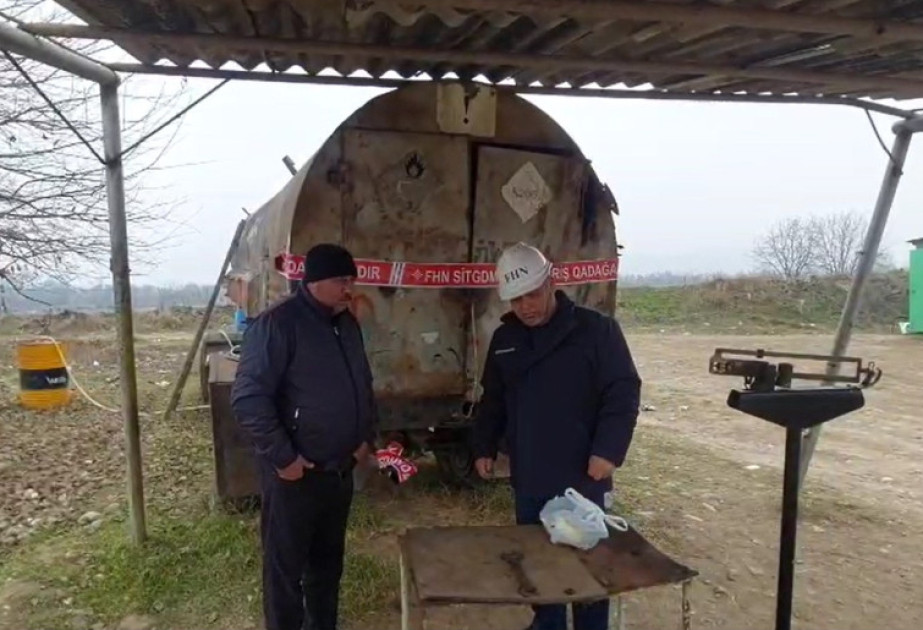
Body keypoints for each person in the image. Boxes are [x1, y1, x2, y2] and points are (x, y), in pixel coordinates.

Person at [472, 242, 642, 630]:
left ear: (552, 282)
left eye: (532, 295)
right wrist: (483, 445)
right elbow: (493, 399)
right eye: (516, 300)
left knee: (589, 568)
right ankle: (547, 624)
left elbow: (622, 392)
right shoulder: (506, 340)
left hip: (584, 477)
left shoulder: (596, 331)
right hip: (530, 475)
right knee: (539, 564)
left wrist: (608, 450)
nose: (525, 307)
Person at [230, 243, 378, 630]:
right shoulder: (278, 325)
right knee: (285, 571)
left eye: (351, 279)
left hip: (338, 472)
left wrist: (364, 437)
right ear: (314, 281)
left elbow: (362, 384)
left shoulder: (346, 324)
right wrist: (284, 458)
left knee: (327, 567)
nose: (349, 288)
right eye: (341, 280)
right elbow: (248, 399)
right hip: (295, 477)